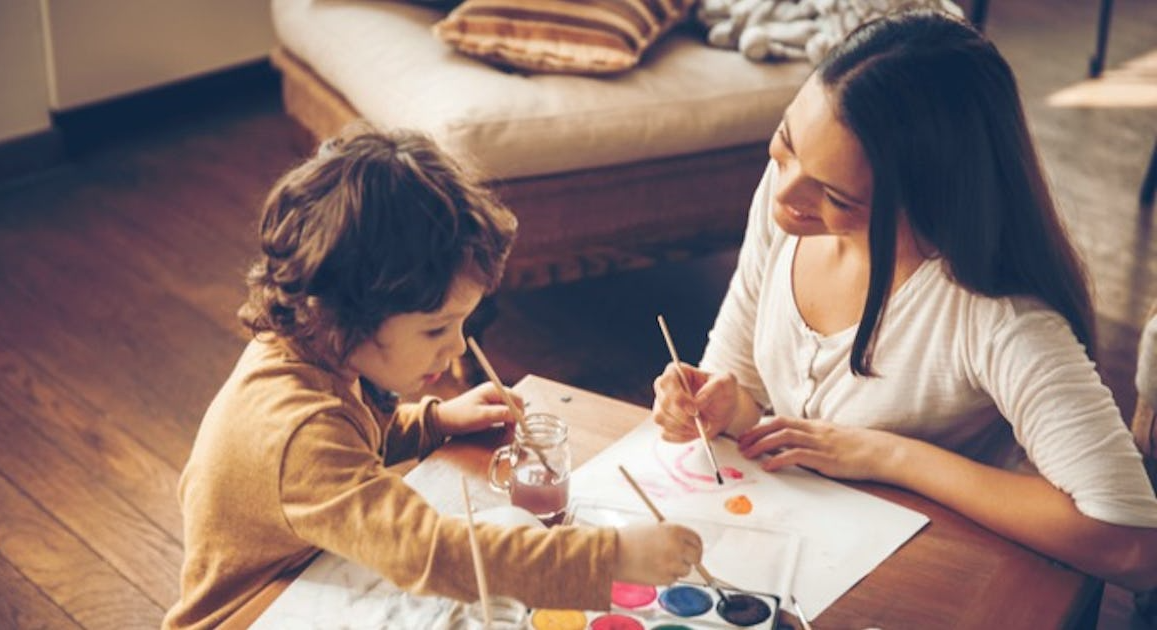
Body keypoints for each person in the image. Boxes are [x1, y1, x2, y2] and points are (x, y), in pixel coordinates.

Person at [649, 10, 1157, 592]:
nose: (785, 197)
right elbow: (735, 379)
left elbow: (1134, 545)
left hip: (930, 585)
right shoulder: (791, 195)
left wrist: (892, 457)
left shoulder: (996, 316)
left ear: (928, 200)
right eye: (786, 144)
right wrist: (723, 407)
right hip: (794, 561)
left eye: (836, 196)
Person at [164, 129, 703, 629]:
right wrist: (613, 557)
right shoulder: (299, 432)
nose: (457, 346)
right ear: (347, 313)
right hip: (254, 612)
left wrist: (434, 421)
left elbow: (350, 439)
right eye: (437, 328)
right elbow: (429, 553)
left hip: (314, 568)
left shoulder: (317, 353)